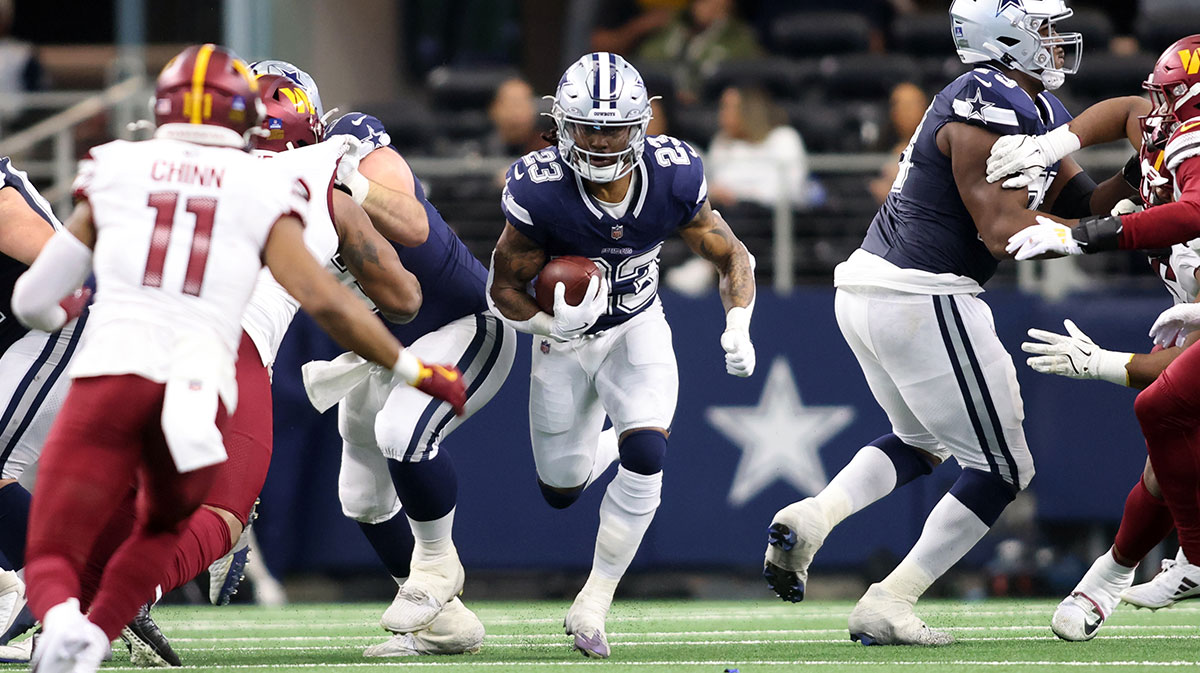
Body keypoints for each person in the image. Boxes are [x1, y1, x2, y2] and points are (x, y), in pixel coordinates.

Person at [11, 44, 465, 673]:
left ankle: (59, 623)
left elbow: (42, 295)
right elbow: (399, 298)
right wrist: (411, 362)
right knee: (215, 517)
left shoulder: (120, 165)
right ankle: (107, 616)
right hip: (219, 359)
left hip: (108, 354)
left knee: (83, 514)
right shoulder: (297, 181)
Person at [761, 0, 1132, 646]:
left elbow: (1084, 202)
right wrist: (1113, 234)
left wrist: (1138, 175)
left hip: (874, 290)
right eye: (1043, 28)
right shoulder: (983, 97)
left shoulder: (1035, 107)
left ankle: (815, 516)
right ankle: (890, 600)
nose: (1058, 40)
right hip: (923, 292)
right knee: (1004, 469)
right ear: (1004, 35)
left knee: (922, 440)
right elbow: (1001, 232)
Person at [488, 51, 756, 659]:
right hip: (560, 342)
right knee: (562, 487)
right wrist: (550, 319)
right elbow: (501, 289)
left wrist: (738, 321)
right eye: (589, 127)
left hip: (636, 327)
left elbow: (732, 256)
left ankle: (594, 605)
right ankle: (600, 446)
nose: (603, 141)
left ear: (643, 124)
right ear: (562, 125)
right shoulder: (540, 188)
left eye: (614, 127)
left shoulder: (674, 174)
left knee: (647, 451)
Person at [274, 62, 516, 657]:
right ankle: (445, 626)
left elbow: (408, 222)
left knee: (401, 430)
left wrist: (342, 182)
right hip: (383, 349)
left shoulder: (350, 141)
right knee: (359, 495)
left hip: (461, 324)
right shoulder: (260, 197)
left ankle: (435, 570)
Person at [987, 35, 1200, 634]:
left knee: (1164, 411)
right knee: (1169, 461)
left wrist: (1105, 362)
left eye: (1168, 96)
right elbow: (1124, 112)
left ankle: (1167, 564)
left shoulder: (1195, 157)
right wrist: (1058, 143)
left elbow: (1192, 213)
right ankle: (1115, 574)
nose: (1155, 108)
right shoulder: (1165, 135)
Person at [707, 85, 813, 209]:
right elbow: (715, 184)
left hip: (772, 219)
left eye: (729, 108)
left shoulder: (784, 138)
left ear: (750, 110)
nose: (722, 115)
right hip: (731, 216)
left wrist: (738, 195)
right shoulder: (721, 142)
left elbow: (790, 188)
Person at [636, 0, 762, 102]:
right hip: (665, 101)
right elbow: (648, 58)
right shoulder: (673, 27)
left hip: (710, 104)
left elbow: (744, 76)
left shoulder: (739, 37)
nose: (706, 6)